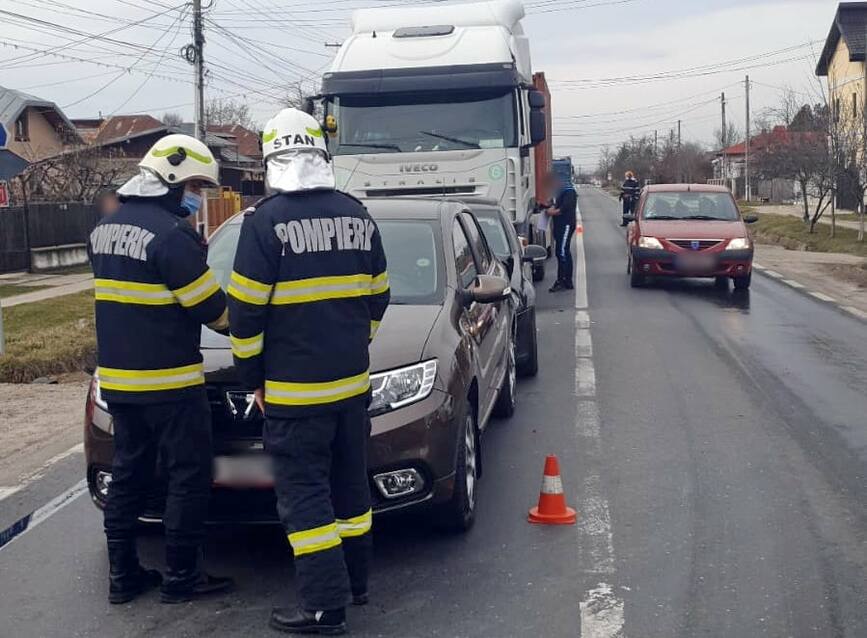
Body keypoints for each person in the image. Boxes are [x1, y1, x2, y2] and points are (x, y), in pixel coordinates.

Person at [227, 108, 390, 635]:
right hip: (351, 388)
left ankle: (324, 606)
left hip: (296, 396)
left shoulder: (265, 223)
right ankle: (357, 584)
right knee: (349, 490)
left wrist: (250, 378)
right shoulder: (357, 215)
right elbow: (379, 297)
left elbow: (246, 312)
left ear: (273, 161)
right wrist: (352, 346)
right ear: (321, 154)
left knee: (304, 497)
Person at [88, 134, 234, 605]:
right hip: (171, 385)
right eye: (194, 185)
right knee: (186, 476)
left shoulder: (104, 230)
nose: (197, 197)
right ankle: (181, 577)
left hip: (118, 384)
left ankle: (123, 575)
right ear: (172, 179)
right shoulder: (174, 238)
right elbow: (214, 312)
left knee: (129, 475)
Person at [545, 171, 578, 293]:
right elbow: (556, 205)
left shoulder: (569, 192)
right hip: (559, 225)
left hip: (566, 225)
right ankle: (567, 280)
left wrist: (550, 212)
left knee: (562, 252)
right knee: (562, 252)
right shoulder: (560, 192)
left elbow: (563, 209)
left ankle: (562, 280)